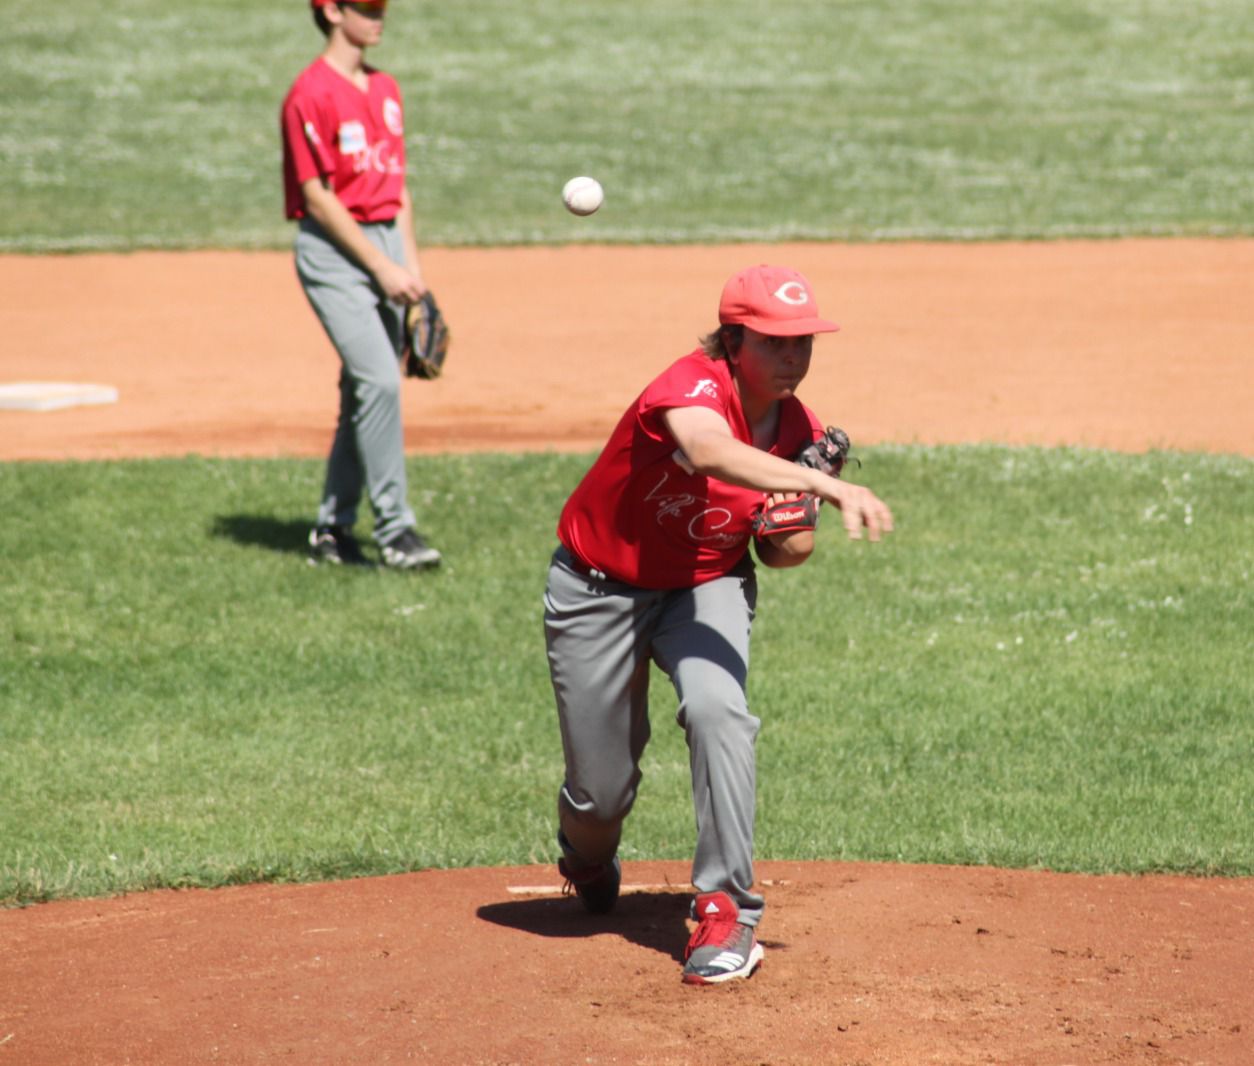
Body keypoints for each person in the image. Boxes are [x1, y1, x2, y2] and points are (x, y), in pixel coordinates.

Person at [544, 264, 894, 985]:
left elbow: (784, 550)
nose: (792, 359)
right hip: (596, 587)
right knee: (600, 795)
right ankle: (585, 852)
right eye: (774, 343)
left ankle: (727, 908)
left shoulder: (797, 430)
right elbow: (705, 448)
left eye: (803, 344)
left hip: (705, 587)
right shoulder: (690, 384)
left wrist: (794, 522)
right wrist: (822, 483)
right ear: (733, 341)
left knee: (718, 711)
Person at [280, 0, 440, 570]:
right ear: (330, 9)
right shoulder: (310, 93)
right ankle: (397, 531)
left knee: (362, 392)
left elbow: (399, 191)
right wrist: (381, 267)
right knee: (381, 382)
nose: (380, 16)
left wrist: (412, 274)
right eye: (367, 7)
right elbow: (317, 197)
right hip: (335, 254)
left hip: (387, 249)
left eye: (383, 7)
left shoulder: (387, 88)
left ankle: (332, 528)